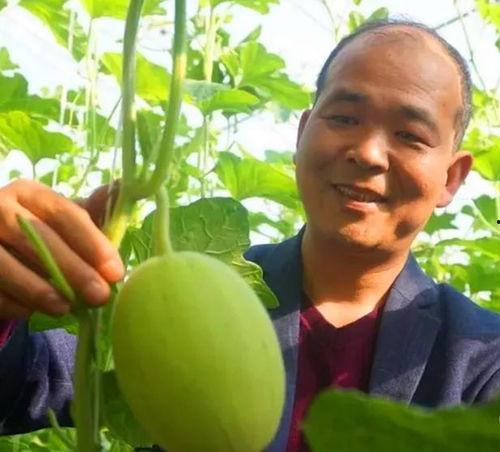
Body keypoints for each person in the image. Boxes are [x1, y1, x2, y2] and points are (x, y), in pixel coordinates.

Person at [0, 18, 499, 452]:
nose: (368, 152)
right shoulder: (174, 300)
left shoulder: (483, 357)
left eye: (410, 135)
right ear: (302, 134)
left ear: (451, 178)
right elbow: (21, 384)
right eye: (345, 118)